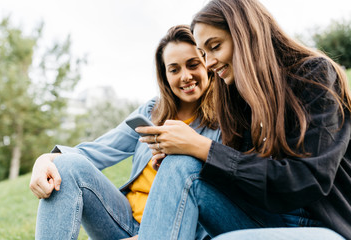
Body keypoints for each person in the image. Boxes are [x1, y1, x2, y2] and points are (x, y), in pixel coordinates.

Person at [135, 0, 351, 239]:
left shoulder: (314, 76)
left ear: (245, 34)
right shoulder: (236, 97)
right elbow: (240, 178)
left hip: (322, 227)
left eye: (215, 47)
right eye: (203, 53)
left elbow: (308, 180)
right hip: (262, 219)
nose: (208, 63)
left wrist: (202, 147)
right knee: (181, 165)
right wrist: (189, 153)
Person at [29, 25, 221, 240]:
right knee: (66, 166)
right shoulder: (151, 112)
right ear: (165, 75)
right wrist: (45, 159)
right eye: (174, 69)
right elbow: (99, 149)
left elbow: (215, 205)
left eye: (193, 64)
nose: (185, 76)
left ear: (208, 64)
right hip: (124, 223)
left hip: (175, 230)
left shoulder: (224, 122)